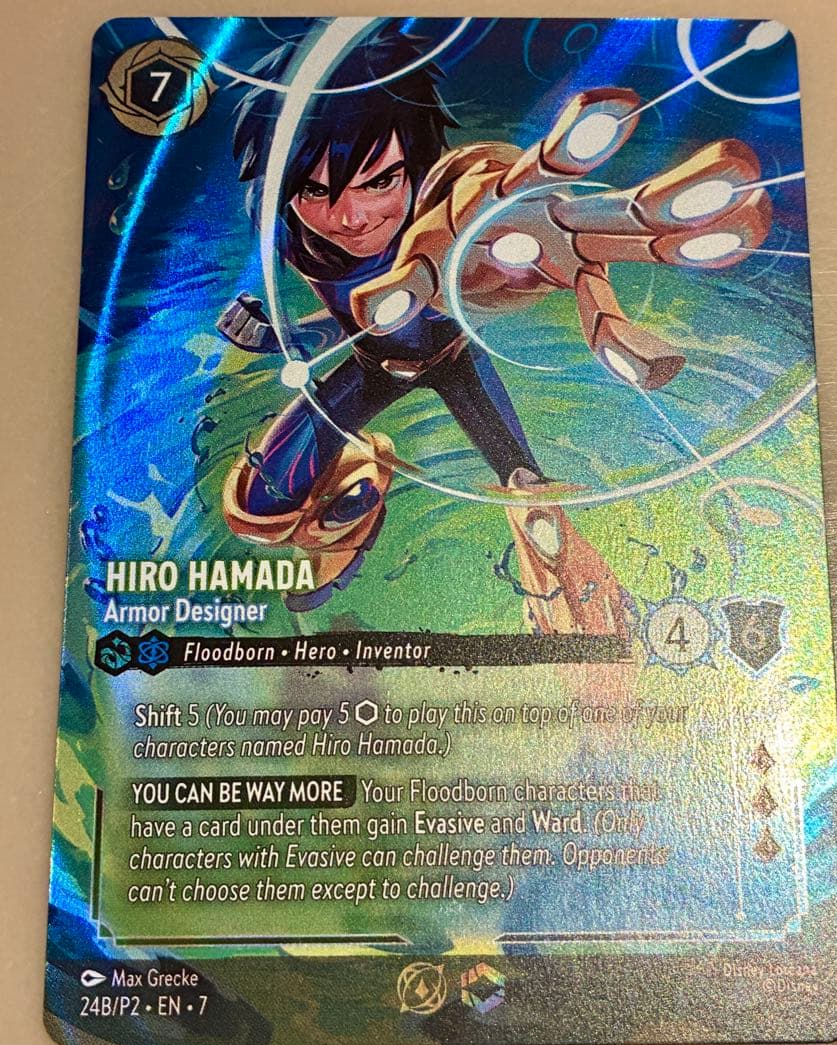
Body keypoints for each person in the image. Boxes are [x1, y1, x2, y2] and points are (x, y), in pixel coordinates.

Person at [218, 26, 770, 633]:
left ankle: (585, 619)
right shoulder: (301, 241)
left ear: (415, 165)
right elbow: (354, 326)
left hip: (460, 364)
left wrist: (515, 228)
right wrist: (278, 335)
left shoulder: (444, 211)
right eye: (315, 190)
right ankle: (364, 484)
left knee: (534, 504)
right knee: (256, 510)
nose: (350, 216)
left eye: (380, 181)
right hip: (374, 368)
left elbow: (477, 196)